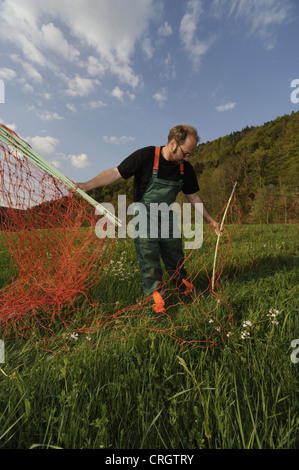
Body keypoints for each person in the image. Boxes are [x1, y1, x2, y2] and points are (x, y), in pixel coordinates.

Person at [74, 125, 221, 318]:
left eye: (190, 155)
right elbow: (115, 173)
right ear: (173, 143)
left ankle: (181, 284)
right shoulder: (146, 156)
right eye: (186, 153)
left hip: (167, 214)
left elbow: (193, 197)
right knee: (149, 258)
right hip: (144, 215)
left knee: (174, 253)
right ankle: (156, 296)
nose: (187, 158)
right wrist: (87, 185)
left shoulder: (185, 168)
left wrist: (211, 221)